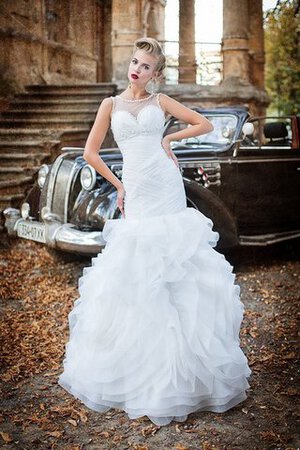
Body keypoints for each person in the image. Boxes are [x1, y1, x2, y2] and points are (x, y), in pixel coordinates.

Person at [57, 37, 252, 427]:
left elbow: (205, 123)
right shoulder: (109, 104)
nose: (137, 70)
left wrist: (169, 137)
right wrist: (119, 185)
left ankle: (185, 374)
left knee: (176, 266)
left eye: (146, 66)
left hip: (165, 185)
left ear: (155, 74)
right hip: (137, 189)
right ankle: (135, 367)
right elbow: (91, 153)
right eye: (134, 62)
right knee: (137, 269)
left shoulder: (160, 103)